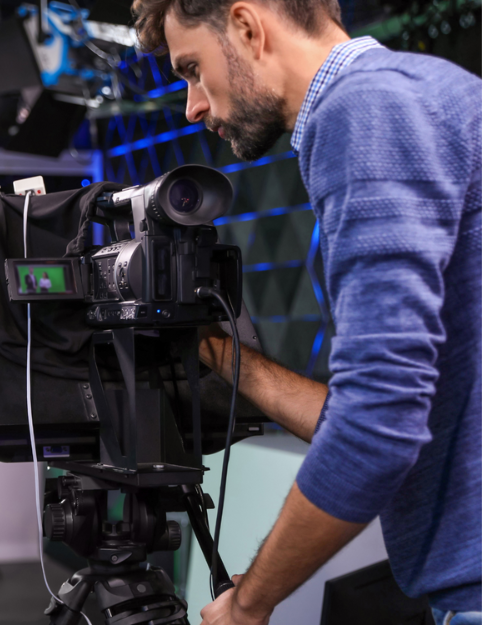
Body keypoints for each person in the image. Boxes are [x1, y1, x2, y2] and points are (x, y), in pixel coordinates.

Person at [131, 1, 481, 624]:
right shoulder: (428, 89)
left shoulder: (363, 111)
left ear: (246, 25)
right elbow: (389, 412)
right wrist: (217, 351)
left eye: (192, 69)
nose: (193, 106)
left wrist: (249, 603)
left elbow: (378, 422)